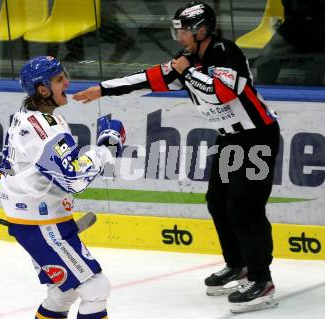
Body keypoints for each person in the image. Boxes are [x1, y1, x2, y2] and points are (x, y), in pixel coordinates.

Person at [73, 1, 280, 314]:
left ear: (201, 30)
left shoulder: (225, 52)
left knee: (245, 207)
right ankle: (238, 265)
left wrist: (188, 72)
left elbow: (225, 92)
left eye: (183, 30)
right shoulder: (189, 60)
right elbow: (149, 78)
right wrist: (103, 89)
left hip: (257, 138)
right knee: (218, 201)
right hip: (231, 139)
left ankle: (262, 280)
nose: (179, 36)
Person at [0, 56, 126, 319]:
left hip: (35, 219)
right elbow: (75, 180)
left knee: (63, 292)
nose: (66, 81)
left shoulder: (26, 116)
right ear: (43, 89)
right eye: (58, 80)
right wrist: (108, 146)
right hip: (42, 224)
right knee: (96, 288)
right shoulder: (46, 130)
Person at [255, 0, 325, 85]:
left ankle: (311, 90)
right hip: (296, 27)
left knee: (316, 63)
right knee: (265, 58)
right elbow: (292, 14)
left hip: (318, 29)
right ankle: (261, 92)